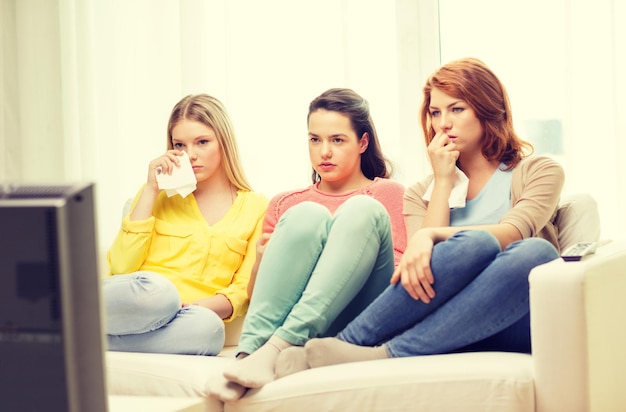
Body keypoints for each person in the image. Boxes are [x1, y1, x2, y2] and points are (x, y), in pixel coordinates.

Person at [297, 57, 564, 369]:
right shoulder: (419, 193)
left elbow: (512, 234)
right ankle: (349, 344)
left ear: (490, 108)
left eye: (456, 109)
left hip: (512, 317)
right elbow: (422, 275)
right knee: (472, 245)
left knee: (536, 252)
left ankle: (378, 351)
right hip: (438, 322)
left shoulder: (539, 171)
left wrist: (429, 233)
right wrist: (442, 182)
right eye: (435, 112)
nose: (442, 123)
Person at [209, 88, 407, 401]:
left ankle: (276, 347)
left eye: (337, 140)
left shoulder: (390, 194)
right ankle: (249, 354)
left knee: (361, 209)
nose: (324, 152)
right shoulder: (284, 204)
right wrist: (262, 259)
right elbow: (255, 295)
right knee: (306, 215)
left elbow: (398, 278)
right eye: (315, 140)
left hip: (360, 318)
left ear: (363, 143)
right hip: (299, 325)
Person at [104, 94, 268, 356]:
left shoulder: (257, 207)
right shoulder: (156, 194)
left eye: (202, 142)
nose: (190, 155)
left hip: (188, 314)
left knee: (209, 332)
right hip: (140, 298)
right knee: (160, 293)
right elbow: (121, 267)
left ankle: (88, 342)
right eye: (179, 145)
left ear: (223, 142)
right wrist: (150, 190)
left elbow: (241, 291)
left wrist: (196, 306)